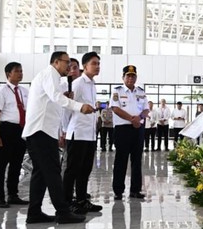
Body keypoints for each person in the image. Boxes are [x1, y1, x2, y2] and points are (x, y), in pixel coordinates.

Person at [22, 52, 95, 224]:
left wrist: (65, 98)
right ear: (56, 62)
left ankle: (34, 212)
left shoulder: (53, 77)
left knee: (40, 173)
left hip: (43, 131)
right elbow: (56, 97)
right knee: (53, 171)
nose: (69, 66)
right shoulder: (49, 73)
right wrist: (79, 106)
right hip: (40, 132)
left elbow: (54, 100)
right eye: (66, 62)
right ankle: (63, 212)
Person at [63, 52, 103, 214]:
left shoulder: (92, 85)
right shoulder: (78, 83)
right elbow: (67, 108)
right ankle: (66, 203)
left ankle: (81, 200)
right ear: (85, 66)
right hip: (77, 133)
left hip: (90, 134)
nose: (97, 66)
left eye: (99, 63)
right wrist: (65, 131)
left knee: (85, 169)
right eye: (94, 63)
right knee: (72, 170)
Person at [0, 62, 30, 208]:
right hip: (6, 130)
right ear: (8, 74)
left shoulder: (24, 91)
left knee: (16, 164)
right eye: (17, 71)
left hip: (21, 130)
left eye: (21, 71)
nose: (20, 73)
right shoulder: (1, 92)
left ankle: (13, 194)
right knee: (1, 165)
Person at [110, 65, 149, 200]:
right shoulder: (117, 91)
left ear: (136, 77)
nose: (130, 78)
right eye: (128, 76)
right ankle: (118, 191)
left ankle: (135, 190)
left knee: (137, 160)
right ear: (123, 78)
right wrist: (132, 119)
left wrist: (140, 118)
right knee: (121, 160)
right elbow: (115, 109)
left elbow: (146, 109)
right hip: (122, 129)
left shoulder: (141, 92)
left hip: (138, 129)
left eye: (133, 76)